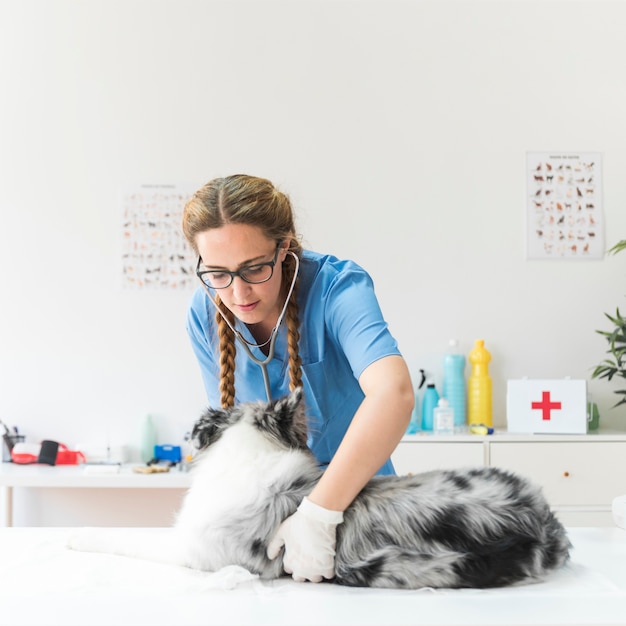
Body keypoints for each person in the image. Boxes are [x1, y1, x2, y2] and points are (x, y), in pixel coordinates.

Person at [182, 174, 414, 583]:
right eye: (218, 273)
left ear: (284, 246)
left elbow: (393, 393)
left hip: (362, 513)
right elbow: (235, 440)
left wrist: (319, 513)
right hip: (271, 527)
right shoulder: (204, 316)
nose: (237, 293)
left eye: (254, 268)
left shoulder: (337, 289)